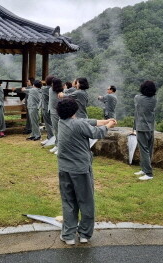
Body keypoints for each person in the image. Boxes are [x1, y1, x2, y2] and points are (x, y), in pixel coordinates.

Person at [56, 97, 117, 245]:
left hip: (64, 169)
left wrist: (102, 121)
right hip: (81, 169)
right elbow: (97, 133)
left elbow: (85, 122)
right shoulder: (78, 124)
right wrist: (108, 124)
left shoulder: (61, 122)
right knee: (86, 201)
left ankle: (68, 235)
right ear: (74, 111)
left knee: (68, 201)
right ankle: (85, 234)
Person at [133, 80, 157, 181]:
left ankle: (148, 173)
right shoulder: (154, 99)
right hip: (150, 127)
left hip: (142, 127)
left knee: (144, 150)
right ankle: (144, 169)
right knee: (149, 149)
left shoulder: (138, 98)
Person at [49, 78, 63, 153]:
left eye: (52, 83)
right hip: (54, 113)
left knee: (59, 130)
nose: (51, 84)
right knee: (56, 130)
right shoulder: (51, 90)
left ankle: (60, 146)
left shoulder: (61, 92)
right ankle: (57, 145)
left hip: (59, 113)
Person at [40, 75, 55, 146]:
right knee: (51, 124)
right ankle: (49, 137)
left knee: (48, 124)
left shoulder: (44, 89)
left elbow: (41, 85)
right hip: (52, 108)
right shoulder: (54, 89)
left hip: (46, 108)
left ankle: (51, 138)